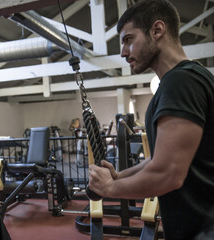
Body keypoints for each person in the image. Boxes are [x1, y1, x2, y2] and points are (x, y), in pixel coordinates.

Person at [87, 0, 214, 239]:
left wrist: (110, 188)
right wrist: (120, 176)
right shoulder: (185, 79)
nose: (123, 52)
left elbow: (168, 173)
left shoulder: (181, 82)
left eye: (128, 40)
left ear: (157, 30)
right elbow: (159, 159)